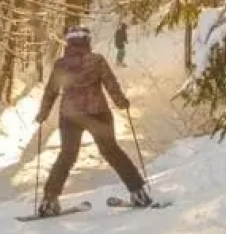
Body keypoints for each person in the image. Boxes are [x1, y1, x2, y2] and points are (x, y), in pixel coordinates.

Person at [33, 26, 152, 216]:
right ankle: (138, 193)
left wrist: (43, 113)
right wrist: (121, 102)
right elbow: (111, 83)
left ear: (69, 42)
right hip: (98, 113)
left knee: (67, 156)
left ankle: (49, 201)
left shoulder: (61, 64)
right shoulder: (97, 60)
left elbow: (51, 91)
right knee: (112, 151)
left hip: (70, 116)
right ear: (87, 41)